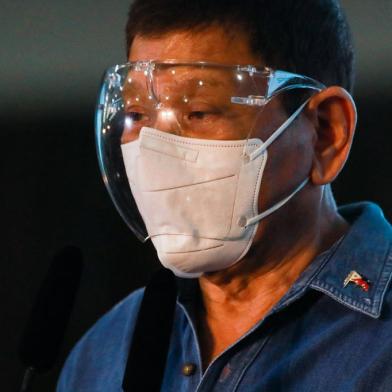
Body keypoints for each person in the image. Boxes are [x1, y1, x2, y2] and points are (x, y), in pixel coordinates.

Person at [58, 0, 392, 391]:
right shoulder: (105, 354)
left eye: (199, 112)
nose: (152, 147)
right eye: (136, 115)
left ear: (324, 134)